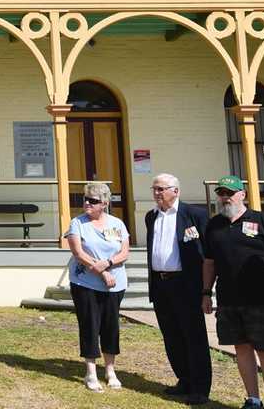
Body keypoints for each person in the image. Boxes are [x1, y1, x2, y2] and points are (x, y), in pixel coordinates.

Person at [202, 175, 264, 409]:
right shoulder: (214, 224)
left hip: (262, 299)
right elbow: (209, 262)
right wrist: (206, 293)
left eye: (230, 193)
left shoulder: (261, 221)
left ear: (243, 195)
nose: (225, 198)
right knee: (241, 347)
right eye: (222, 193)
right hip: (229, 300)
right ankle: (253, 399)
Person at [145, 173, 212, 405]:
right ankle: (184, 380)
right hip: (161, 284)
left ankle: (200, 387)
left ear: (176, 190)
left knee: (193, 337)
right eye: (154, 189)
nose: (156, 193)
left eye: (161, 189)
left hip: (186, 284)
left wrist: (206, 289)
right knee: (171, 336)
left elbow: (208, 254)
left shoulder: (195, 215)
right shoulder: (151, 217)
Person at [65, 181, 130, 392]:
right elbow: (79, 253)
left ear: (104, 203)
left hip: (115, 284)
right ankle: (90, 372)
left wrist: (109, 263)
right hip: (86, 283)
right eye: (84, 199)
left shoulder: (117, 224)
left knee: (111, 327)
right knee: (90, 325)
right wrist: (101, 271)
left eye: (92, 201)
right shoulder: (77, 223)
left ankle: (110, 370)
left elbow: (124, 252)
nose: (86, 203)